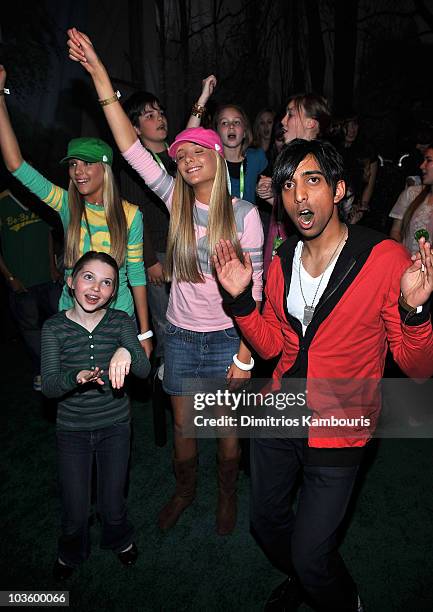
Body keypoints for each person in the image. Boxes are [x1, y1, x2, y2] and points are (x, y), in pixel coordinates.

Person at [213, 139, 433, 611]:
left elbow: (417, 368)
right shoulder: (283, 257)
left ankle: (338, 596)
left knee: (313, 555)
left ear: (338, 190)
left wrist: (415, 311)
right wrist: (239, 302)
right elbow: (272, 343)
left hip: (341, 426)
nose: (299, 196)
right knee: (266, 523)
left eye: (313, 181)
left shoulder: (384, 258)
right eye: (289, 184)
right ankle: (303, 577)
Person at [67, 28, 264, 535]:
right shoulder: (175, 202)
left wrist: (245, 356)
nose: (187, 157)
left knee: (222, 430)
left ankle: (224, 494)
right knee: (182, 425)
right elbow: (130, 147)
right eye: (180, 155)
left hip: (226, 340)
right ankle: (184, 490)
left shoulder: (245, 215)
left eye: (198, 150)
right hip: (179, 333)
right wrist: (99, 76)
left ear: (217, 158)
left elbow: (256, 293)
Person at [0, 65, 152, 358]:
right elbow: (15, 164)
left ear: (104, 169)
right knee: (75, 397)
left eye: (86, 163)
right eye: (73, 164)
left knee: (114, 397)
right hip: (72, 320)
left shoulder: (130, 215)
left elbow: (136, 275)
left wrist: (144, 332)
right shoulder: (66, 203)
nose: (78, 172)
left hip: (118, 320)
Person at [41, 251, 150, 580]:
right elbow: (48, 386)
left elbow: (144, 371)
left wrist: (124, 349)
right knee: (75, 509)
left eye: (107, 282)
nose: (96, 288)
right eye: (88, 277)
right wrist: (74, 378)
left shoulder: (119, 322)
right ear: (71, 281)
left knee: (112, 502)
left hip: (115, 426)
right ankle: (72, 549)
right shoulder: (54, 327)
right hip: (72, 430)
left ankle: (119, 539)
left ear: (114, 293)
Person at [121, 91, 177, 373]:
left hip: (185, 249)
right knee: (165, 319)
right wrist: (149, 260)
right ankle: (171, 372)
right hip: (156, 253)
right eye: (149, 115)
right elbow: (134, 216)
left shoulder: (179, 156)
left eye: (161, 113)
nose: (159, 119)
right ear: (135, 128)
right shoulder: (133, 167)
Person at [257, 93, 331, 277]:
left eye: (290, 114)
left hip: (306, 254)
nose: (283, 121)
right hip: (282, 240)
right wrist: (273, 197)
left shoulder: (322, 161)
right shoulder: (291, 158)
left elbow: (316, 210)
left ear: (310, 123)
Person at [0, 176, 62, 390]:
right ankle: (43, 370)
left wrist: (53, 265)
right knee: (31, 329)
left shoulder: (38, 198)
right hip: (22, 282)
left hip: (48, 277)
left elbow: (48, 234)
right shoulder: (2, 201)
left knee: (62, 320)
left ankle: (66, 365)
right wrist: (9, 277)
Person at [187, 76, 268, 205]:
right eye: (224, 123)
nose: (231, 126)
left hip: (250, 223)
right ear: (216, 132)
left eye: (236, 122)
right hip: (218, 224)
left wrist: (268, 189)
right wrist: (202, 99)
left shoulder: (257, 158)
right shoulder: (210, 161)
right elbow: (188, 141)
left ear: (245, 131)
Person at [389, 144, 433, 254]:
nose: (422, 166)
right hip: (407, 266)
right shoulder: (412, 193)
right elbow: (395, 231)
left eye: (428, 160)